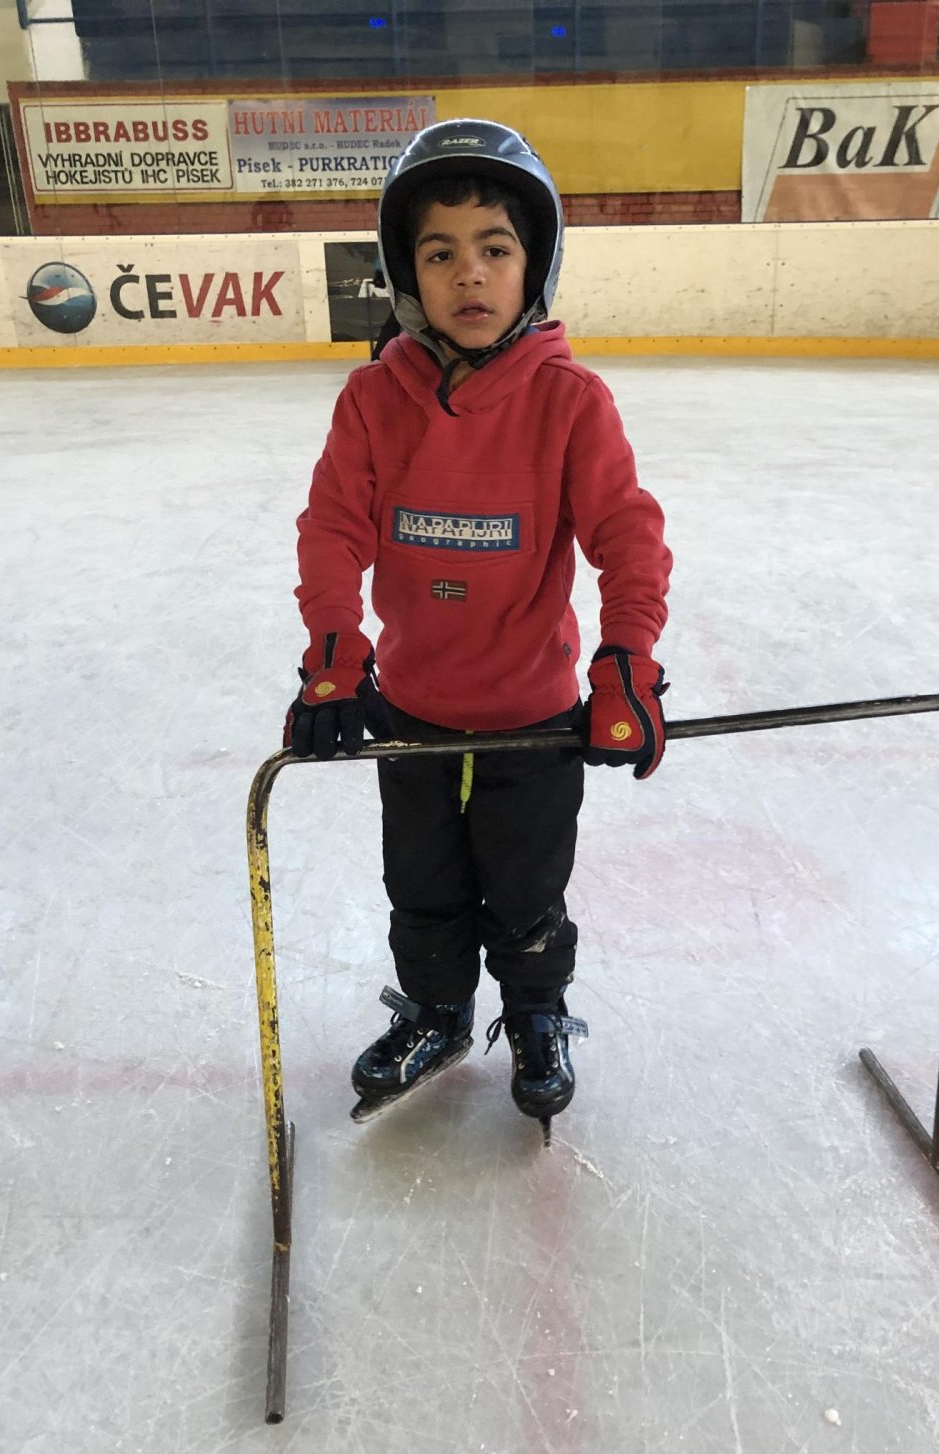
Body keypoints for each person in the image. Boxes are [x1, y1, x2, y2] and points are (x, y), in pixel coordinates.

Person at [284, 119, 672, 1132]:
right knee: (421, 886)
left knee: (527, 888)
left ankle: (535, 1013)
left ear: (533, 264)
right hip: (411, 712)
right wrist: (335, 651)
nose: (469, 273)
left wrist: (626, 661)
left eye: (495, 248)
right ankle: (437, 1012)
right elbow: (333, 528)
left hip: (532, 722)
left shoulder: (570, 401)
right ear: (406, 274)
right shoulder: (374, 399)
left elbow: (627, 537)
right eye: (440, 252)